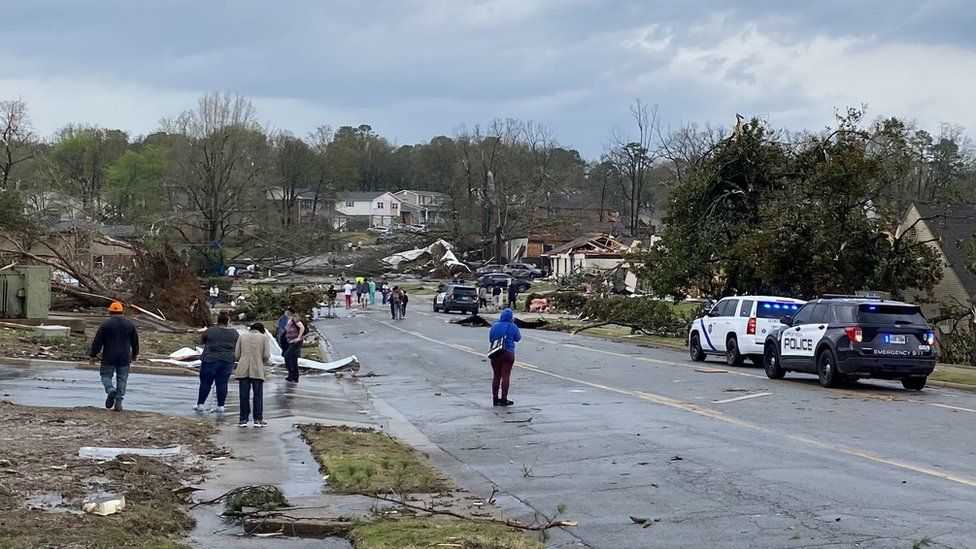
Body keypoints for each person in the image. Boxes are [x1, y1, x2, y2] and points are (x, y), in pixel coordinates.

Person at [89, 301, 139, 412]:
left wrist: (93, 355)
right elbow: (135, 341)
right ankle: (118, 403)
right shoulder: (129, 325)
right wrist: (135, 354)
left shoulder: (105, 325)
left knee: (105, 375)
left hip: (108, 357)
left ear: (110, 312)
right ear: (122, 312)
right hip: (124, 358)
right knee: (122, 379)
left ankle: (110, 389)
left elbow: (97, 342)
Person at [194, 312, 239, 413]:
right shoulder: (234, 333)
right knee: (222, 383)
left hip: (210, 360)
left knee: (205, 382)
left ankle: (200, 404)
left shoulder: (211, 331)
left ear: (218, 321)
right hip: (227, 361)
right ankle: (220, 406)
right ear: (227, 322)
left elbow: (202, 341)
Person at [235, 322, 271, 428]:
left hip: (243, 368)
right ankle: (258, 419)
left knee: (243, 395)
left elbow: (237, 355)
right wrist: (261, 362)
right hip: (257, 369)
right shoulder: (264, 338)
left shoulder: (242, 337)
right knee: (258, 395)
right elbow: (266, 355)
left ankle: (243, 419)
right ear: (262, 330)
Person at [488, 308, 522, 406]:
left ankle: (495, 398)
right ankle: (504, 398)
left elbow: (491, 339)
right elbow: (518, 338)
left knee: (496, 376)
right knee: (505, 376)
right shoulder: (512, 326)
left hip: (495, 353)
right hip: (508, 353)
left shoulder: (494, 326)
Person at [283, 306, 306, 383]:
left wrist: (298, 338)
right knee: (293, 359)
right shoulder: (288, 320)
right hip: (290, 341)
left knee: (287, 356)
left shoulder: (295, 319)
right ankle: (294, 376)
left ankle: (292, 374)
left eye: (286, 311)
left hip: (296, 341)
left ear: (288, 312)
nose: (284, 312)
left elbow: (302, 327)